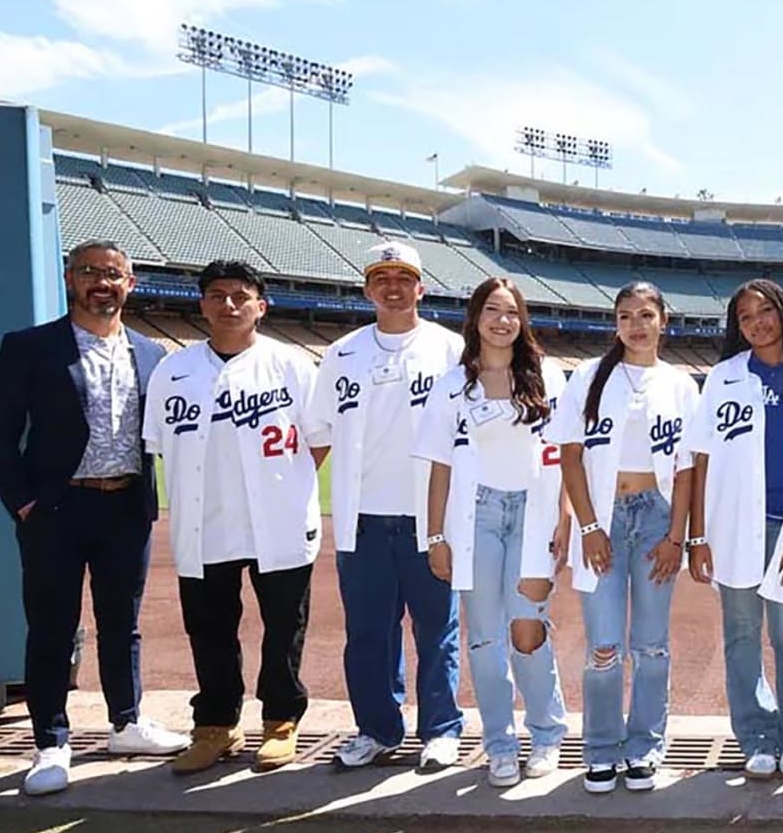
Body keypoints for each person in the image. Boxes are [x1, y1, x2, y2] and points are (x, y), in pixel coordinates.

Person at [0, 240, 187, 796]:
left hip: (125, 505)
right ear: (71, 279)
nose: (102, 282)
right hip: (55, 506)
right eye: (91, 272)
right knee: (51, 626)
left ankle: (126, 722)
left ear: (130, 284)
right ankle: (51, 741)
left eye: (114, 274)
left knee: (124, 623)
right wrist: (22, 502)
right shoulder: (29, 347)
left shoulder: (150, 353)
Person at [144, 259, 325, 775]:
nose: (228, 305)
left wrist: (282, 486)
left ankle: (280, 721)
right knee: (209, 628)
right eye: (217, 295)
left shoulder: (291, 365)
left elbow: (319, 439)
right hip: (206, 522)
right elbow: (156, 445)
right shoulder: (172, 371)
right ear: (201, 305)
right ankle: (217, 725)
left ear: (260, 307)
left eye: (240, 296)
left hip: (279, 519)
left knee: (283, 626)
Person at [307, 243, 467, 772]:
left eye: (404, 278)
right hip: (363, 519)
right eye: (382, 278)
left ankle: (441, 729)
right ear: (367, 288)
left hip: (431, 519)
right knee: (369, 633)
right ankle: (376, 728)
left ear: (421, 288)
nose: (393, 287)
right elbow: (318, 433)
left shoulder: (450, 350)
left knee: (436, 630)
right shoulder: (342, 353)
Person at [684, 279, 783, 782]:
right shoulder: (724, 377)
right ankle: (755, 735)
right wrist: (697, 534)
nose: (757, 323)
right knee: (741, 635)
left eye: (765, 311)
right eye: (746, 316)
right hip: (734, 528)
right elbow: (701, 458)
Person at [417, 277, 572, 788]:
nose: (502, 321)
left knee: (527, 629)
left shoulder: (548, 375)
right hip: (475, 514)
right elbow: (439, 464)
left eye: (511, 312)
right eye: (492, 310)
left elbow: (568, 452)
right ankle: (500, 745)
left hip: (535, 512)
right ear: (476, 317)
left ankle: (547, 733)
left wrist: (566, 518)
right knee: (483, 637)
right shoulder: (452, 383)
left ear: (522, 320)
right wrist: (436, 537)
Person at [552, 282, 699, 794]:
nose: (635, 324)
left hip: (657, 518)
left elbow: (685, 470)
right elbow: (569, 456)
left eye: (645, 314)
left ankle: (645, 748)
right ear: (615, 324)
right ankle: (600, 749)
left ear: (664, 320)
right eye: (624, 316)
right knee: (605, 645)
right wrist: (589, 526)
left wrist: (675, 537)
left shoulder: (681, 384)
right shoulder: (590, 376)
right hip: (603, 517)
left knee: (652, 646)